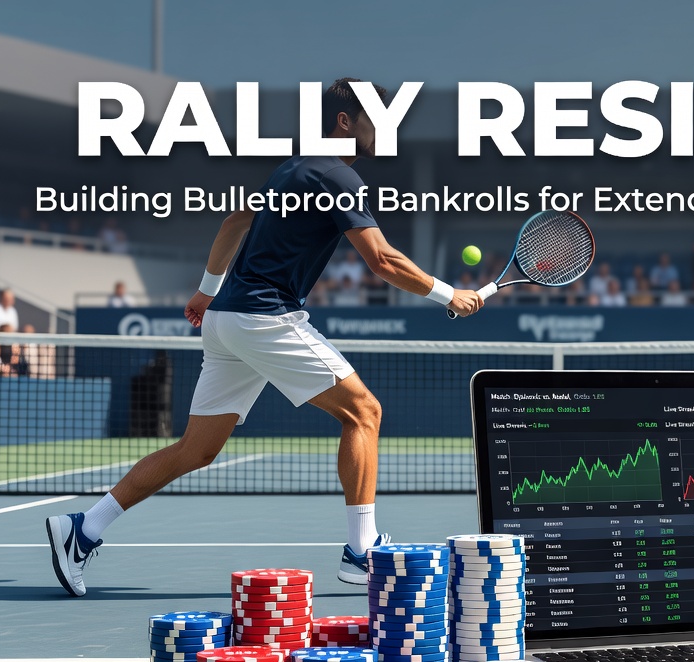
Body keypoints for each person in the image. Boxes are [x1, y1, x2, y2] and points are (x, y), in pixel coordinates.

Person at [44, 78, 484, 597]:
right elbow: (382, 259)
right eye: (374, 118)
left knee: (195, 450)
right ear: (345, 123)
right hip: (265, 317)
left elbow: (234, 222)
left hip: (228, 318)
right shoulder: (339, 178)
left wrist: (208, 291)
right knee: (364, 412)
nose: (382, 128)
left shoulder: (287, 171)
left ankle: (84, 529)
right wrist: (447, 294)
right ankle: (362, 550)